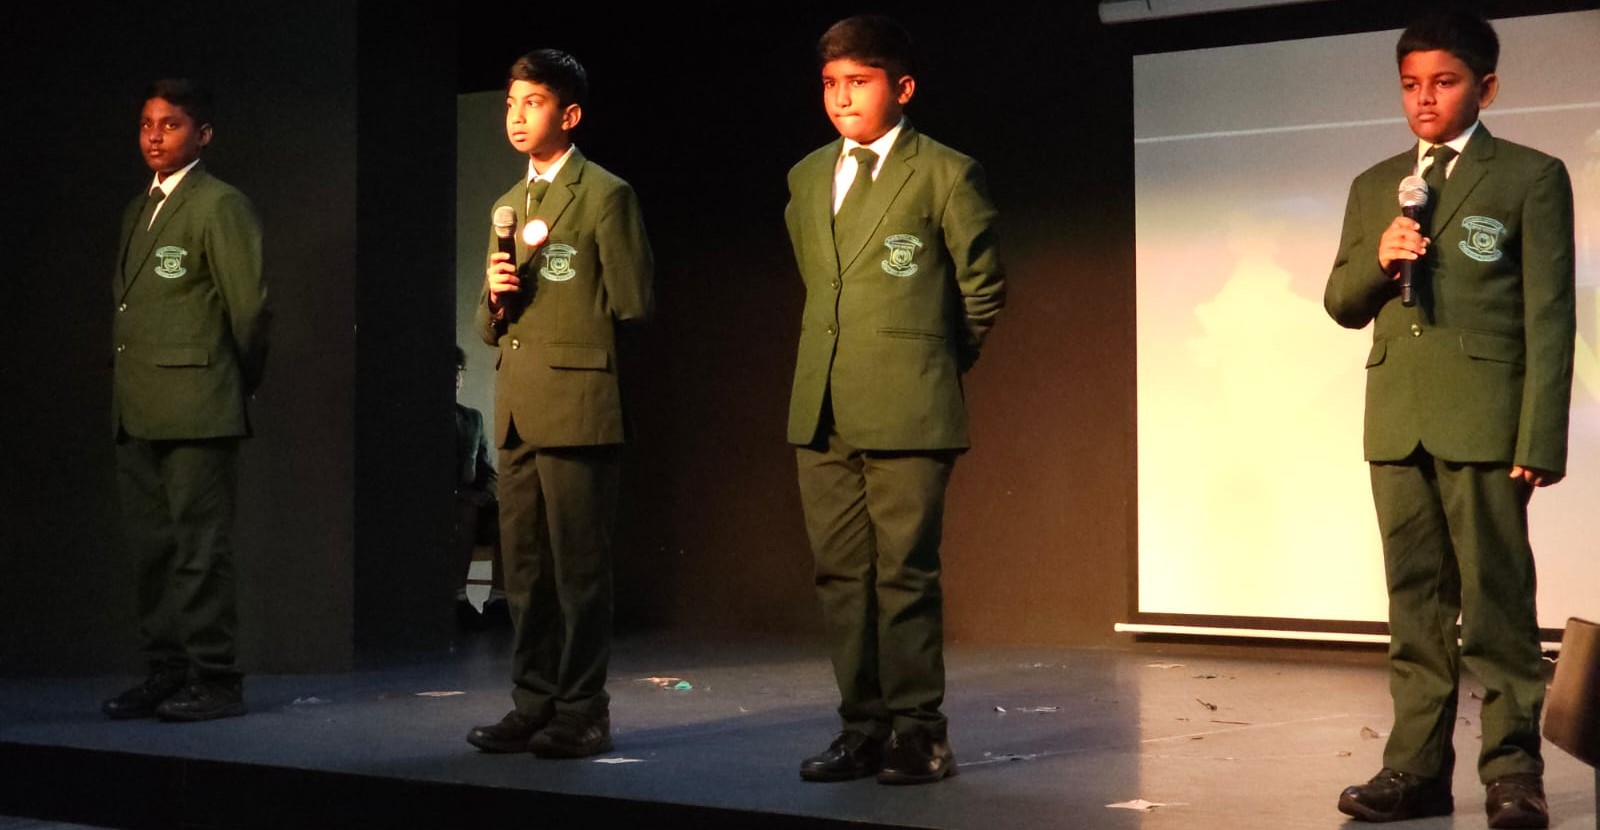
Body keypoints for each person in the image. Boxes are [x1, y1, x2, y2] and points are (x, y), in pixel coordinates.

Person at [1324, 12, 1575, 828]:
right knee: (1415, 608)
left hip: (1486, 421)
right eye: (1410, 85)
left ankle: (1512, 772)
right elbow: (1340, 301)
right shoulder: (1376, 185)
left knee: (1497, 608)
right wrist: (1381, 258)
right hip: (1398, 420)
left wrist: (1540, 437)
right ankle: (1416, 771)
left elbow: (1551, 318)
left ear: (1485, 87)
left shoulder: (1529, 177)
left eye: (1444, 82)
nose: (1424, 99)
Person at [784, 15, 1004, 786]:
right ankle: (862, 729)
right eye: (830, 84)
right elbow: (823, 284)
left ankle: (920, 733)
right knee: (841, 578)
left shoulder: (945, 172)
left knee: (904, 576)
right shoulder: (806, 176)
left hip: (910, 404)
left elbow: (982, 291)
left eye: (860, 82)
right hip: (822, 404)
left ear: (901, 87)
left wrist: (931, 366)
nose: (842, 98)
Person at [467, 48, 653, 759]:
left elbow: (634, 302)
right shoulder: (506, 205)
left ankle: (583, 709)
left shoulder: (605, 194)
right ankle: (532, 701)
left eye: (534, 103)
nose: (517, 116)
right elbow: (489, 327)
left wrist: (571, 322)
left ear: (568, 114)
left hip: (577, 404)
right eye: (510, 104)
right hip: (517, 408)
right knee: (524, 571)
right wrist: (496, 298)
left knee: (578, 571)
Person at [101, 78, 270, 722]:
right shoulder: (137, 209)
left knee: (200, 552)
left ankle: (216, 678)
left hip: (198, 403)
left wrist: (231, 380)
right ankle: (167, 669)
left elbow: (249, 310)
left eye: (170, 125)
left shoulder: (219, 204)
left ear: (203, 134)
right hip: (138, 404)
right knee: (153, 552)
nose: (154, 136)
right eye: (147, 124)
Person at [453, 346, 507, 630]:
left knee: (510, 515)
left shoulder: (473, 418)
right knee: (466, 512)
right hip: (449, 503)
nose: (456, 378)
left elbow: (487, 469)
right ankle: (458, 597)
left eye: (459, 372)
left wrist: (488, 493)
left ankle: (499, 598)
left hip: (472, 498)